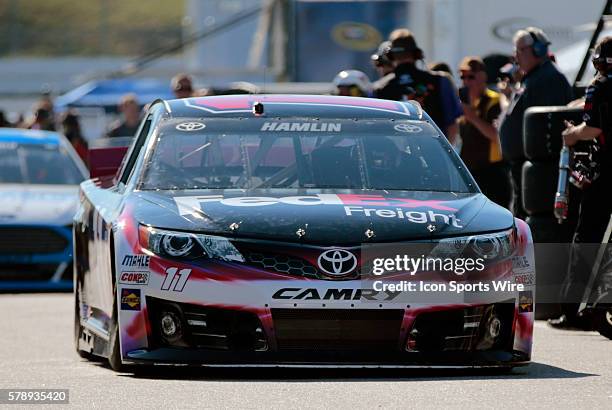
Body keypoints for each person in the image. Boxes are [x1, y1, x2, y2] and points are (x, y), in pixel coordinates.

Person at [548, 37, 612, 329]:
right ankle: (602, 303)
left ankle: (572, 311)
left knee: (586, 238)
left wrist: (573, 134)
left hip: (603, 175)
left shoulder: (599, 86)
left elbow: (595, 127)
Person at [498, 27, 572, 219]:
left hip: (539, 172)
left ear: (538, 49)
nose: (515, 56)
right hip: (525, 168)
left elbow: (550, 129)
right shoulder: (533, 78)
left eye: (520, 50)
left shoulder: (549, 78)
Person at [374, 29, 462, 140]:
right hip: (433, 152)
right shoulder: (441, 81)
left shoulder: (379, 88)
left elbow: (377, 130)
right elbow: (452, 124)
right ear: (417, 54)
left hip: (396, 155)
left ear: (390, 56)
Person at [457, 56, 511, 208]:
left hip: (491, 172)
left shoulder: (494, 101)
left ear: (483, 76)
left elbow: (496, 135)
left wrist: (472, 117)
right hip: (470, 172)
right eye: (463, 77)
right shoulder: (464, 102)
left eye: (471, 77)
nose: (466, 82)